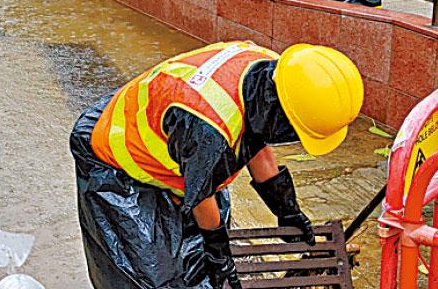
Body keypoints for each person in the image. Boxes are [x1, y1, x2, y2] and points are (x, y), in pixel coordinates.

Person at [70, 41, 364, 289]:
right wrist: (219, 254)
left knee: (196, 251)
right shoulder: (208, 128)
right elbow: (201, 194)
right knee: (145, 272)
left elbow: (256, 143)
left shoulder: (278, 75)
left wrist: (287, 211)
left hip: (171, 137)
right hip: (112, 150)